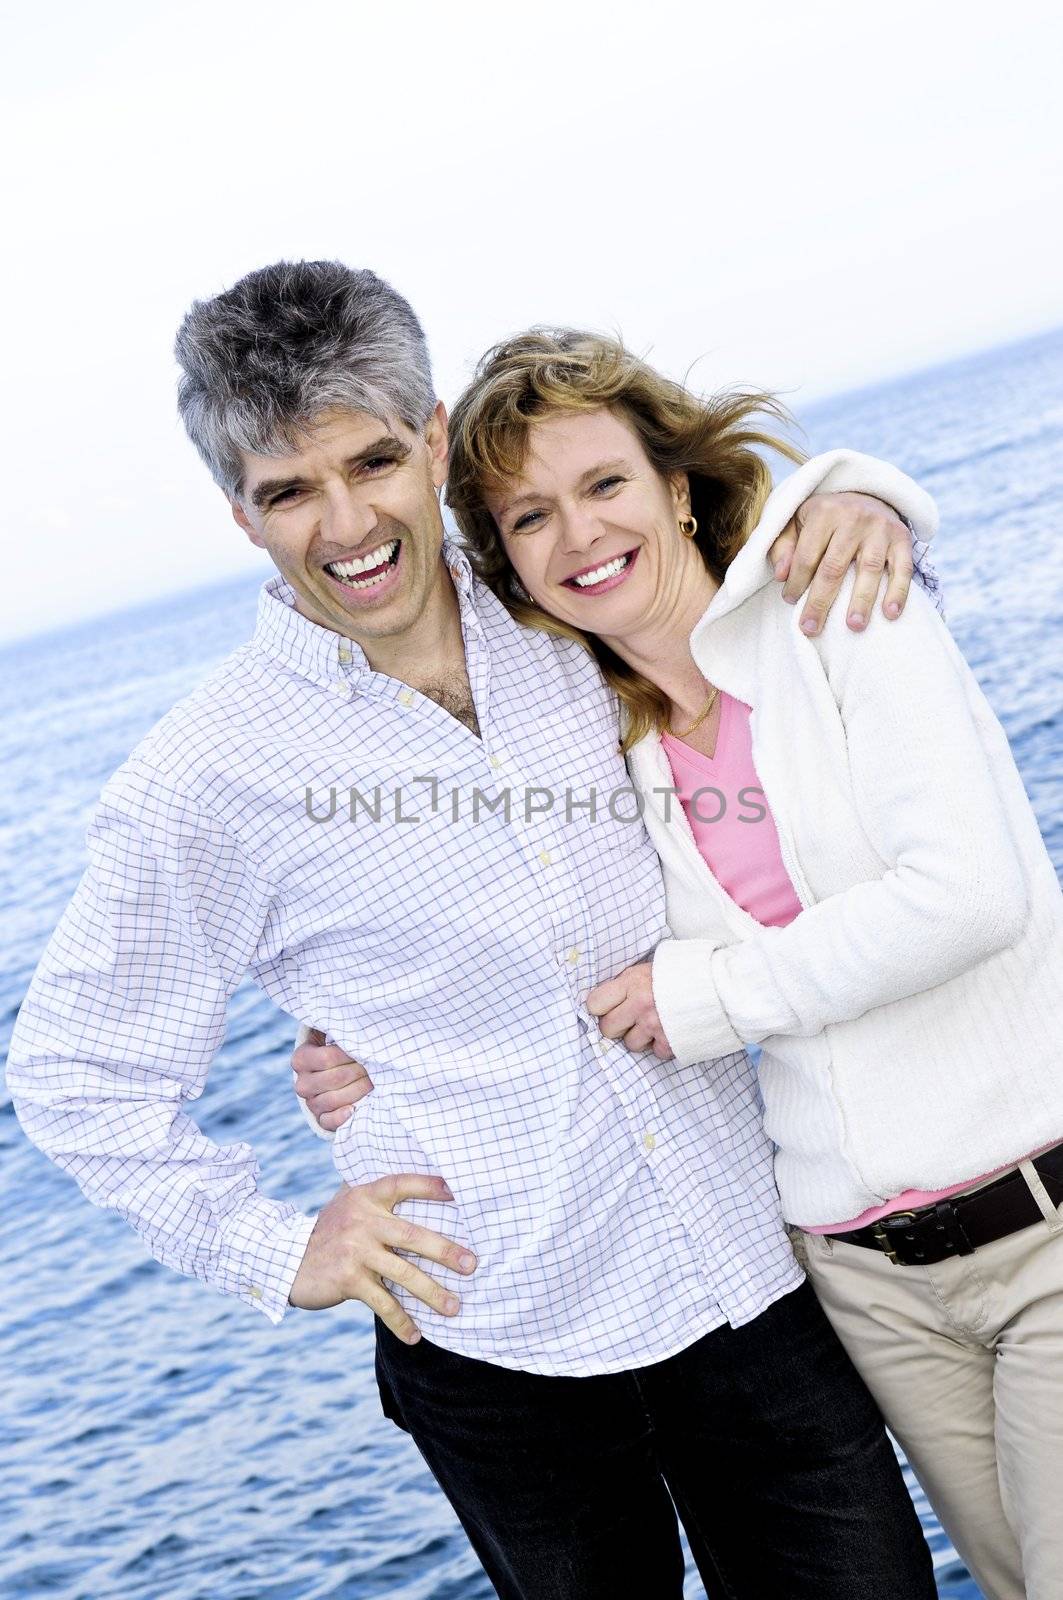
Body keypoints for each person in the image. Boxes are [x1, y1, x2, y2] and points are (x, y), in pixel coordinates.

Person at [9, 262, 944, 1600]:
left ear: (433, 437)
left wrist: (865, 498)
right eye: (287, 491)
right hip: (504, 1348)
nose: (346, 524)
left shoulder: (568, 598)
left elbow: (752, 533)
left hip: (751, 1281)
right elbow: (75, 1074)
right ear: (239, 513)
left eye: (373, 461)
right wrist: (282, 1246)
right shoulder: (204, 778)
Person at [306, 325, 1062, 1600]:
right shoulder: (611, 744)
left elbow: (966, 895)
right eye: (529, 517)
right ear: (512, 569)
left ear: (674, 483)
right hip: (859, 1276)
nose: (579, 534)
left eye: (603, 484)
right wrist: (380, 1064)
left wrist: (860, 490)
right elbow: (545, 945)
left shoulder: (838, 606)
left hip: (1040, 1219)